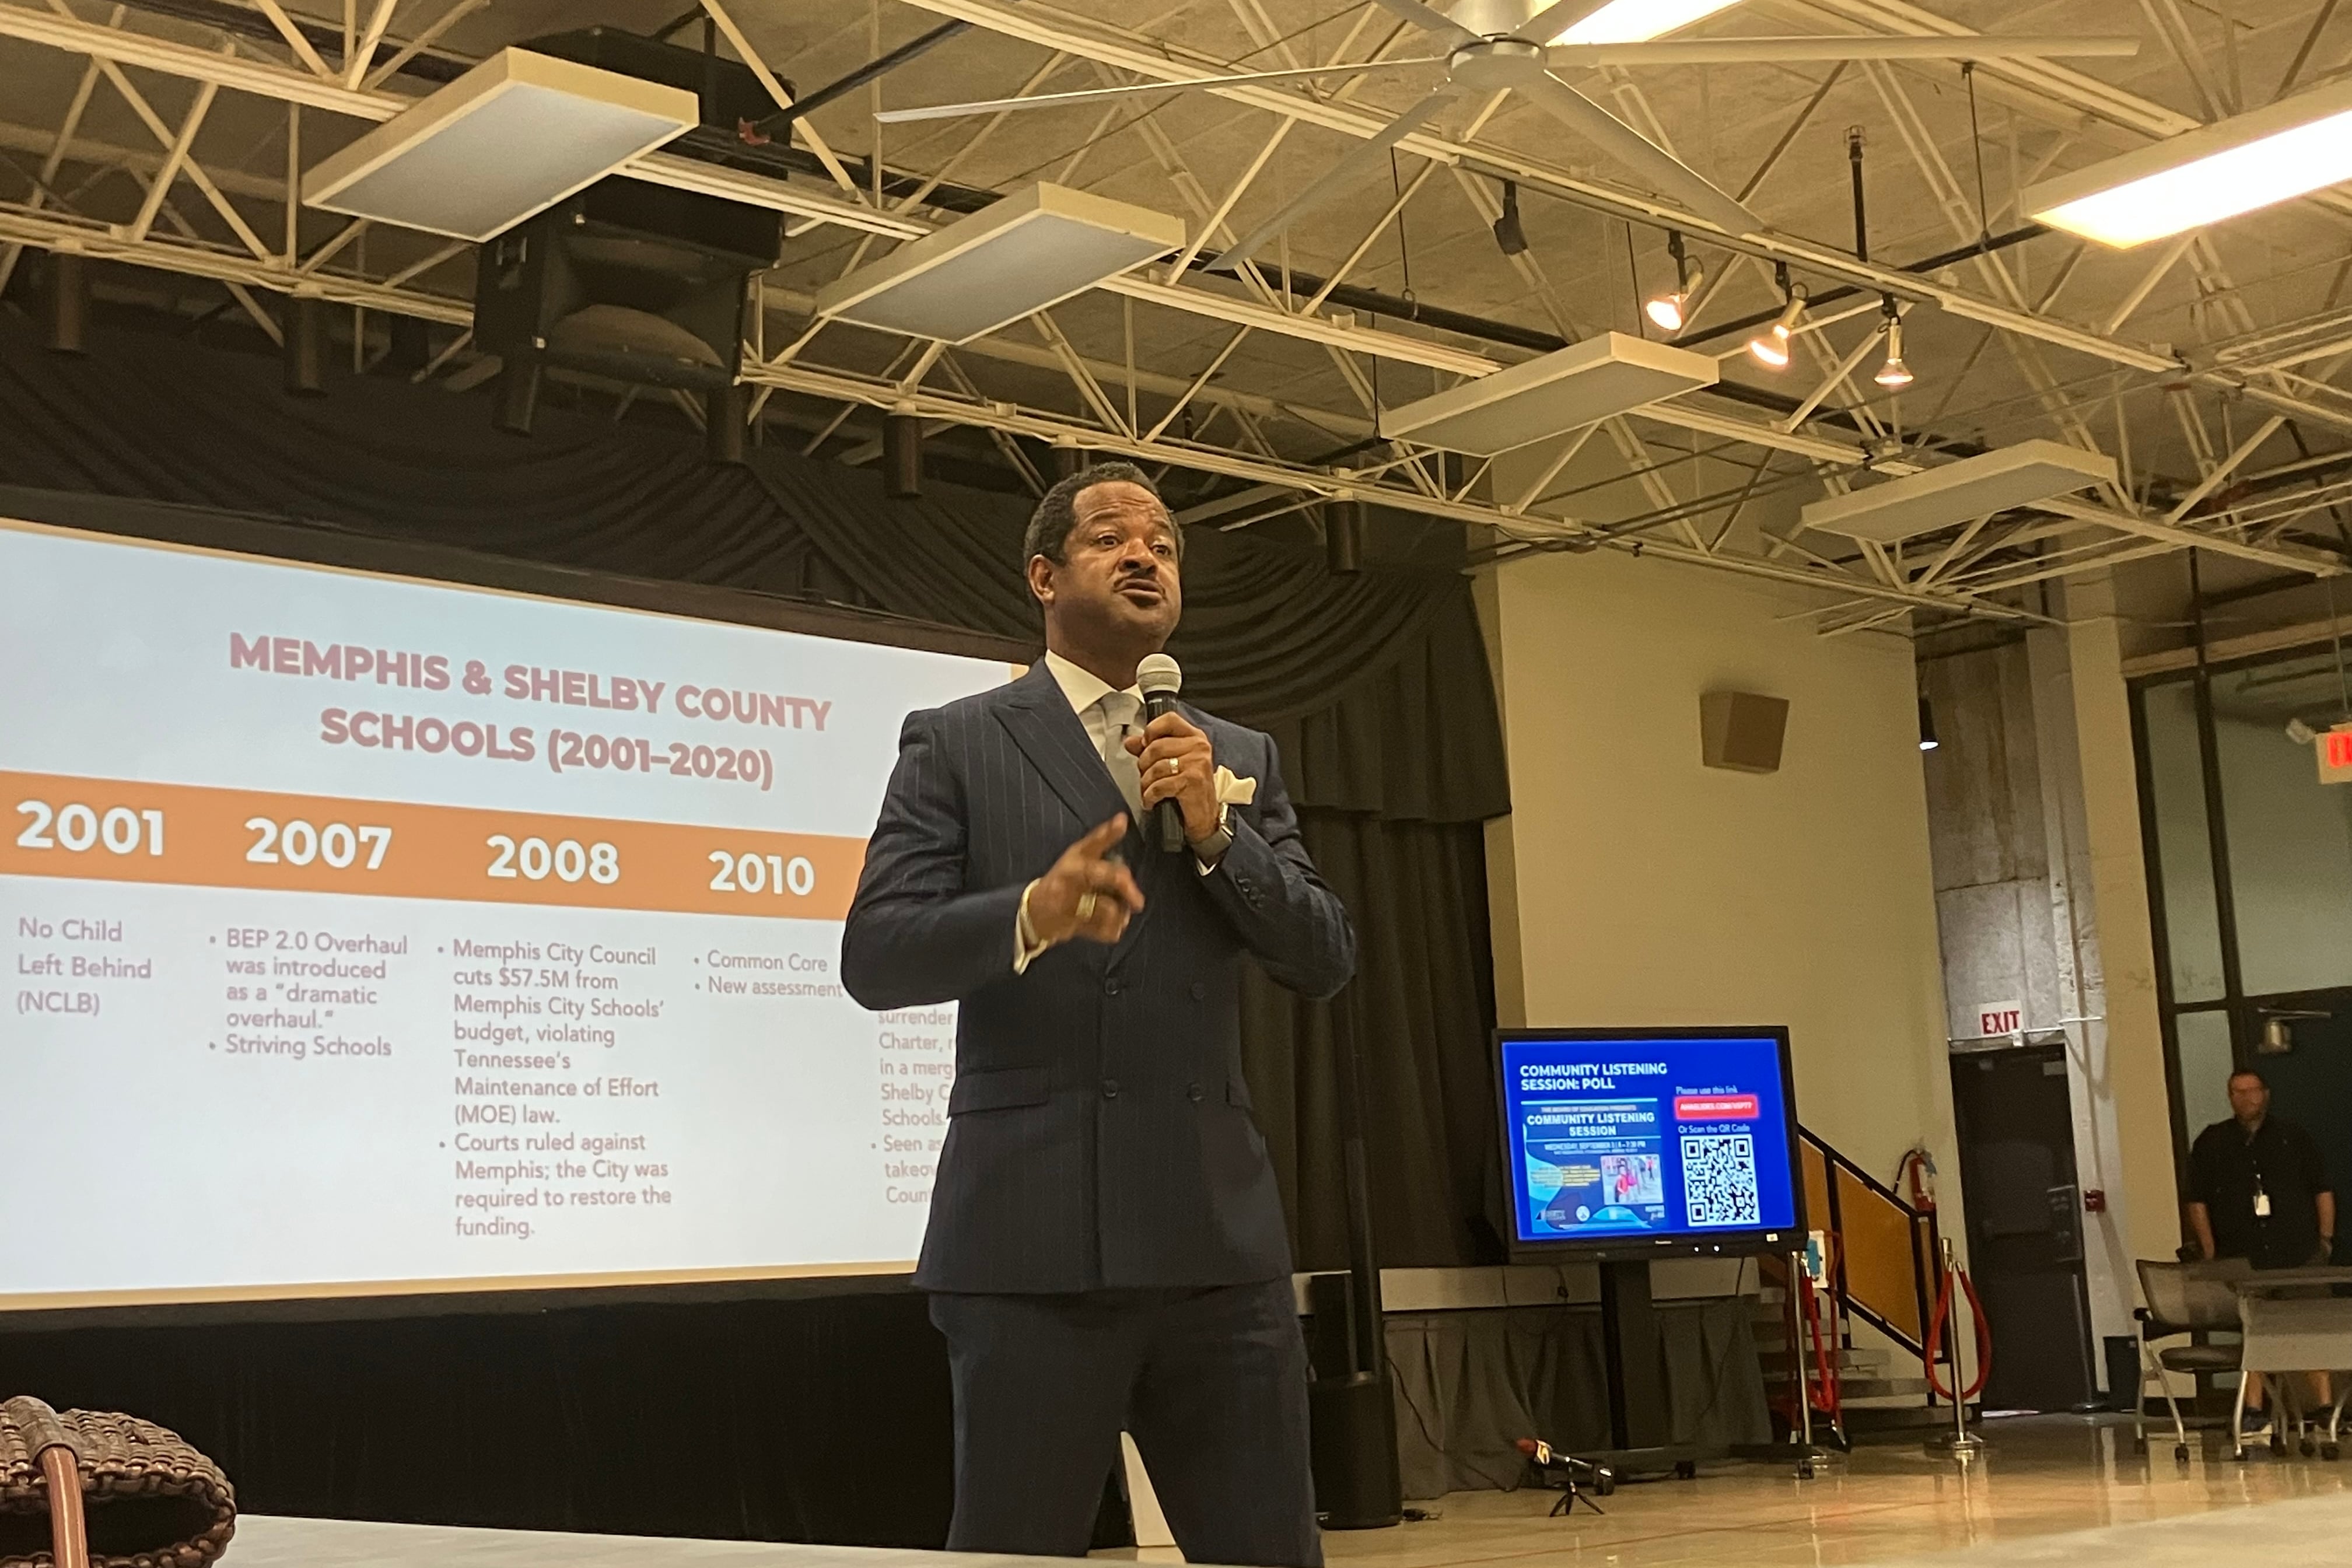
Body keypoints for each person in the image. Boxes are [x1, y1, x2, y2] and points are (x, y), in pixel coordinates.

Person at [842, 461, 1355, 1567]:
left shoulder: (1236, 758)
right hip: (1031, 1247)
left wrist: (1220, 837)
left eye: (1164, 544)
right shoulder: (959, 739)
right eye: (1112, 538)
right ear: (1042, 574)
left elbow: (1323, 955)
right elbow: (876, 953)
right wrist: (1030, 910)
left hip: (1217, 1249)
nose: (1145, 557)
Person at [2185, 1066, 2336, 1433]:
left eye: (2252, 1091)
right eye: (2237, 1092)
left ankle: (2325, 1406)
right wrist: (2210, 1249)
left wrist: (2325, 1239)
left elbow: (2321, 1188)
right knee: (2255, 1330)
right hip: (2244, 1253)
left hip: (2298, 1249)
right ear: (2229, 1097)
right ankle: (2254, 1408)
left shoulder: (2292, 1136)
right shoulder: (2213, 1141)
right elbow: (2197, 1199)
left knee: (2312, 1324)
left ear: (2266, 1094)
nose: (2245, 1098)